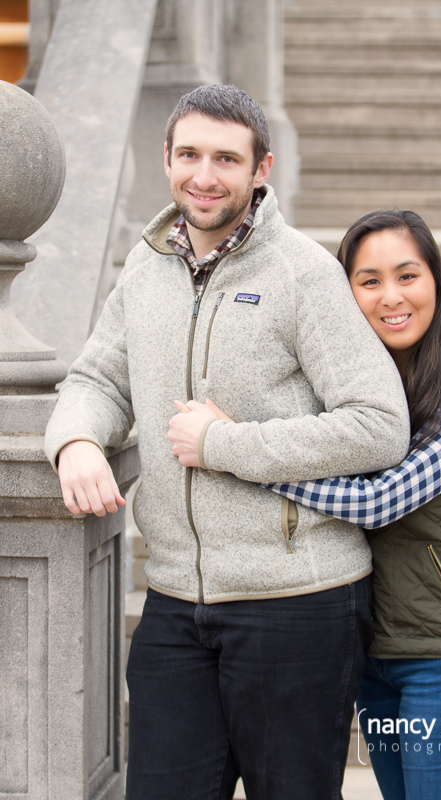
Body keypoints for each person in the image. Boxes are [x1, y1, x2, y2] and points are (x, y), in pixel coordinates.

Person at [45, 86, 410, 800]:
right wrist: (77, 441)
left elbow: (378, 422)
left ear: (260, 168)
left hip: (298, 602)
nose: (203, 176)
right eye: (188, 155)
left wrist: (226, 445)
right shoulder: (145, 267)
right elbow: (96, 377)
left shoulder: (304, 273)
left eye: (225, 158)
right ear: (166, 158)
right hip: (176, 602)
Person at [255, 210, 441, 800]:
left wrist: (244, 456)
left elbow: (380, 501)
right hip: (378, 652)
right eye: (368, 281)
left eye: (407, 275)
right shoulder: (363, 388)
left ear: (437, 281)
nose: (390, 296)